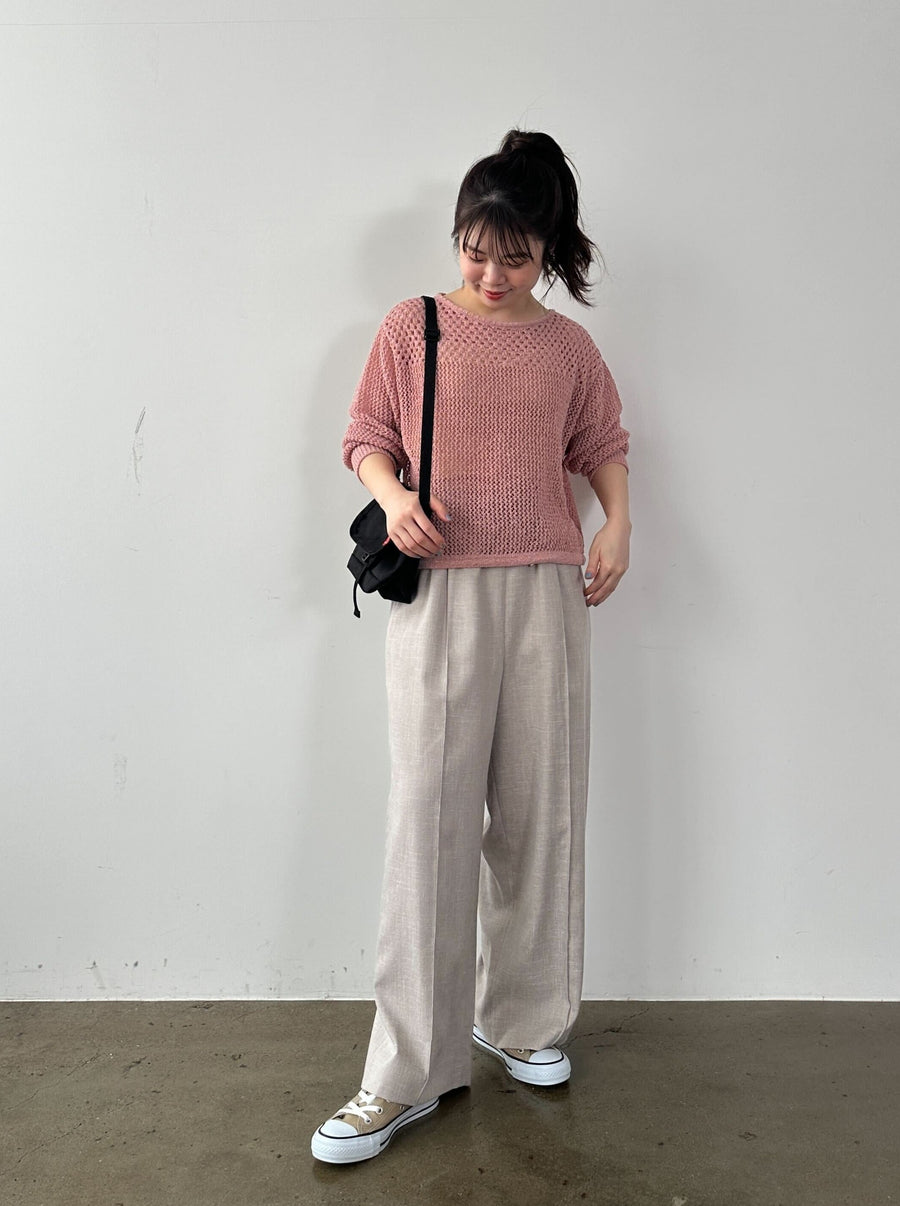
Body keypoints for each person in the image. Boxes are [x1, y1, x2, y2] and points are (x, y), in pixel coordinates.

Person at [311, 127, 632, 1165]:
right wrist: (395, 497)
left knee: (542, 814)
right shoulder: (414, 328)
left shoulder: (570, 350)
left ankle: (524, 1020)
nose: (490, 274)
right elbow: (365, 434)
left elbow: (601, 444)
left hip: (545, 589)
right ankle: (406, 1072)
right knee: (430, 824)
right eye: (473, 249)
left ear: (552, 250)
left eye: (515, 256)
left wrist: (618, 523)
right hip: (441, 593)